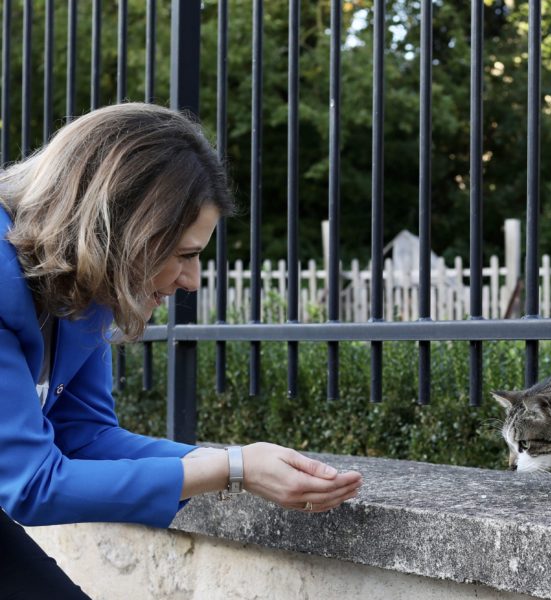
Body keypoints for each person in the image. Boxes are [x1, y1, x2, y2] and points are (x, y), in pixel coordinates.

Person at [0, 102, 363, 599]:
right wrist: (233, 469)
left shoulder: (85, 286)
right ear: (121, 230)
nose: (192, 281)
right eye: (185, 255)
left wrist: (239, 463)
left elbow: (84, 438)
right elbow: (33, 486)